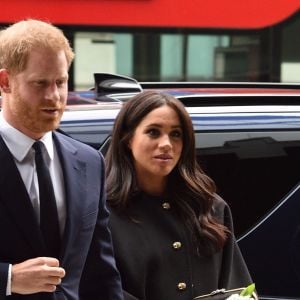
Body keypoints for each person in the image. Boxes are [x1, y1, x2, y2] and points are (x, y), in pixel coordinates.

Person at [0, 19, 123, 300]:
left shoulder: (89, 162)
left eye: (61, 82)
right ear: (5, 82)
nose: (54, 96)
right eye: (40, 83)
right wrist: (8, 278)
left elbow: (100, 271)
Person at [105, 90, 254, 300]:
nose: (166, 144)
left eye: (176, 134)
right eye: (153, 132)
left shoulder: (210, 207)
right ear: (127, 139)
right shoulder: (103, 214)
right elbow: (97, 289)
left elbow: (239, 289)